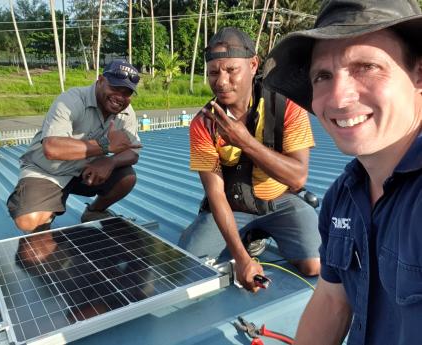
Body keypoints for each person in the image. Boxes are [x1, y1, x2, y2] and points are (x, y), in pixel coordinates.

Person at [264, 0, 422, 344]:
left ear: (419, 74)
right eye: (323, 76)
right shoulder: (343, 197)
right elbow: (332, 300)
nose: (338, 97)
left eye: (366, 66)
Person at [178, 27, 321, 292]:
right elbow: (216, 194)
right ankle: (247, 239)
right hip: (233, 205)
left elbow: (298, 177)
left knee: (315, 266)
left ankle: (258, 233)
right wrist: (243, 261)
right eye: (213, 72)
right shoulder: (203, 123)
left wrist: (243, 140)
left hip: (281, 201)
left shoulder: (287, 106)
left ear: (253, 64)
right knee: (190, 266)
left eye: (231, 70)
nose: (221, 82)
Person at [7, 59, 142, 243]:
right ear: (100, 80)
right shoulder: (72, 100)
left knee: (127, 177)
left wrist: (110, 161)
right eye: (116, 88)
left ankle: (94, 211)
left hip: (86, 170)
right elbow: (52, 148)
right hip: (48, 170)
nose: (120, 96)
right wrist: (105, 145)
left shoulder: (126, 112)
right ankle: (45, 212)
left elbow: (133, 152)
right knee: (28, 222)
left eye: (127, 92)